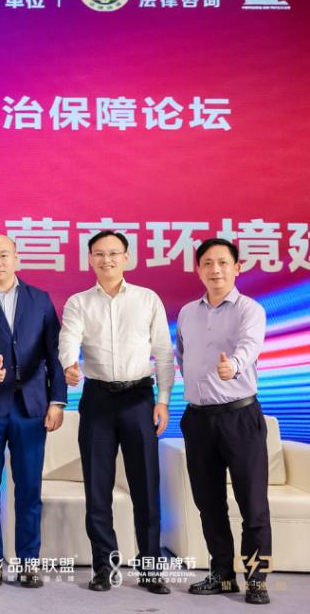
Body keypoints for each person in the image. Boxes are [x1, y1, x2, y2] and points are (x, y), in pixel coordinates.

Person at [59, 230, 173, 595]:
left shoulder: (147, 299)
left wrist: (163, 400)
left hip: (140, 398)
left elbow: (163, 352)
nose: (106, 259)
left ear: (126, 257)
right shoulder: (79, 302)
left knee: (146, 488)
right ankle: (104, 567)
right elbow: (68, 338)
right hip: (97, 400)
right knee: (97, 488)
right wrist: (69, 364)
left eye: (113, 253)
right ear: (90, 259)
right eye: (98, 253)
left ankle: (151, 568)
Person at [0, 234, 66, 588]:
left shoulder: (40, 299)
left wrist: (57, 400)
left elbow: (54, 352)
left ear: (17, 257)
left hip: (31, 407)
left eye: (3, 255)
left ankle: (29, 562)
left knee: (29, 487)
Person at [176, 238, 271, 605]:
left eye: (223, 262)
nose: (215, 269)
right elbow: (183, 356)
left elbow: (250, 346)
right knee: (209, 503)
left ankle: (257, 578)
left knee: (253, 504)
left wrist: (234, 366)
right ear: (198, 269)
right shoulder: (187, 312)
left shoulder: (250, 310)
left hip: (240, 416)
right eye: (207, 263)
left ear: (237, 267)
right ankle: (222, 575)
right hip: (198, 419)